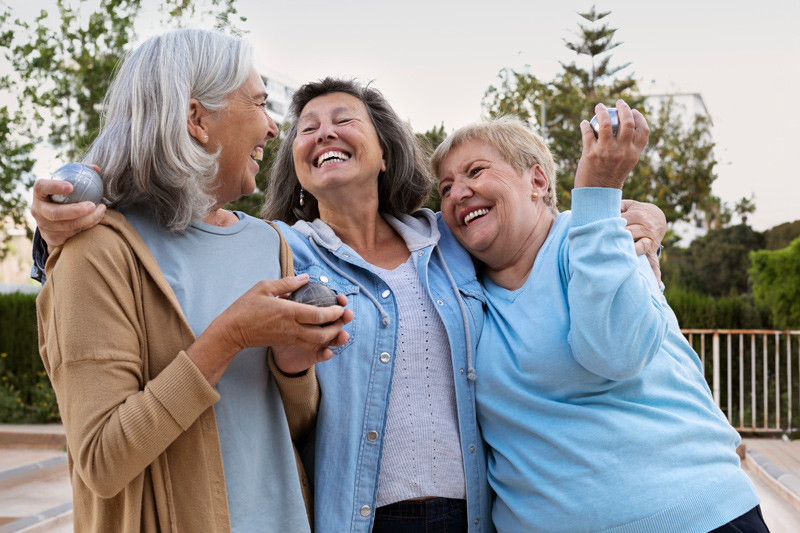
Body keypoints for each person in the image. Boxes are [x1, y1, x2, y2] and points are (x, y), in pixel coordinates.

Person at [31, 78, 666, 532]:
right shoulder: (277, 248)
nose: (322, 132)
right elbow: (178, 235)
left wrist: (636, 220)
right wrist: (53, 227)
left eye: (344, 120)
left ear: (384, 149)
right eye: (306, 129)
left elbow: (537, 232)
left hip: (470, 514)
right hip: (354, 516)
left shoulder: (448, 238)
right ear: (299, 168)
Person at [33, 28, 351, 533]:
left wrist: (292, 369)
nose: (273, 129)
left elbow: (290, 428)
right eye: (260, 103)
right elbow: (102, 461)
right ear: (196, 119)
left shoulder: (269, 243)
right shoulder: (98, 253)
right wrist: (229, 338)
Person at [430, 107, 766, 532]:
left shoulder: (603, 234)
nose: (458, 193)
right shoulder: (459, 292)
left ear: (537, 181)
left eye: (475, 171)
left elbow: (617, 353)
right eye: (445, 188)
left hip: (691, 520)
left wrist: (598, 193)